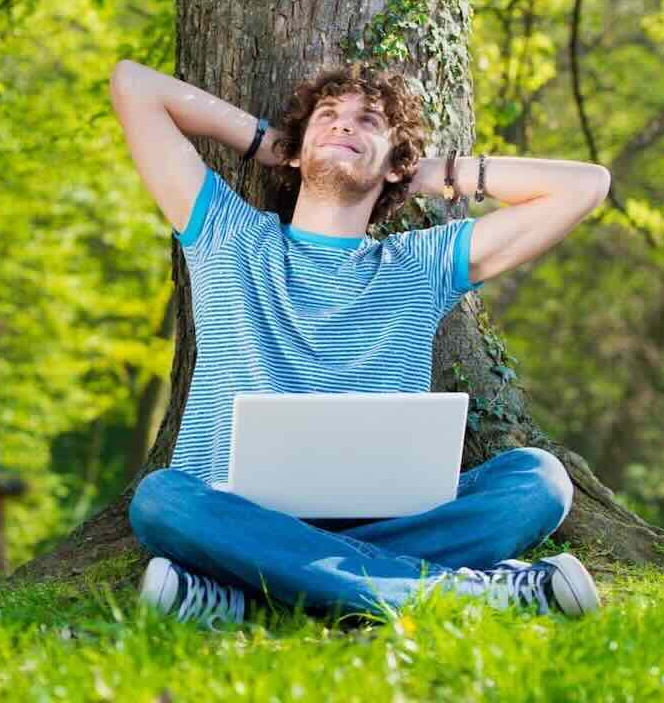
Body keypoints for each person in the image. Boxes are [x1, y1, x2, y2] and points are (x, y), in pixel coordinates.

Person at [108, 58, 612, 629]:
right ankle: (459, 595)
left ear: (396, 164)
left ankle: (250, 594)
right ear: (296, 151)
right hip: (236, 511)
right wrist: (273, 144)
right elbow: (134, 84)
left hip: (378, 519)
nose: (345, 126)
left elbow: (585, 186)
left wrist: (433, 172)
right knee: (162, 501)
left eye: (368, 122)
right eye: (328, 116)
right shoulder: (227, 235)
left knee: (538, 481)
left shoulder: (419, 266)